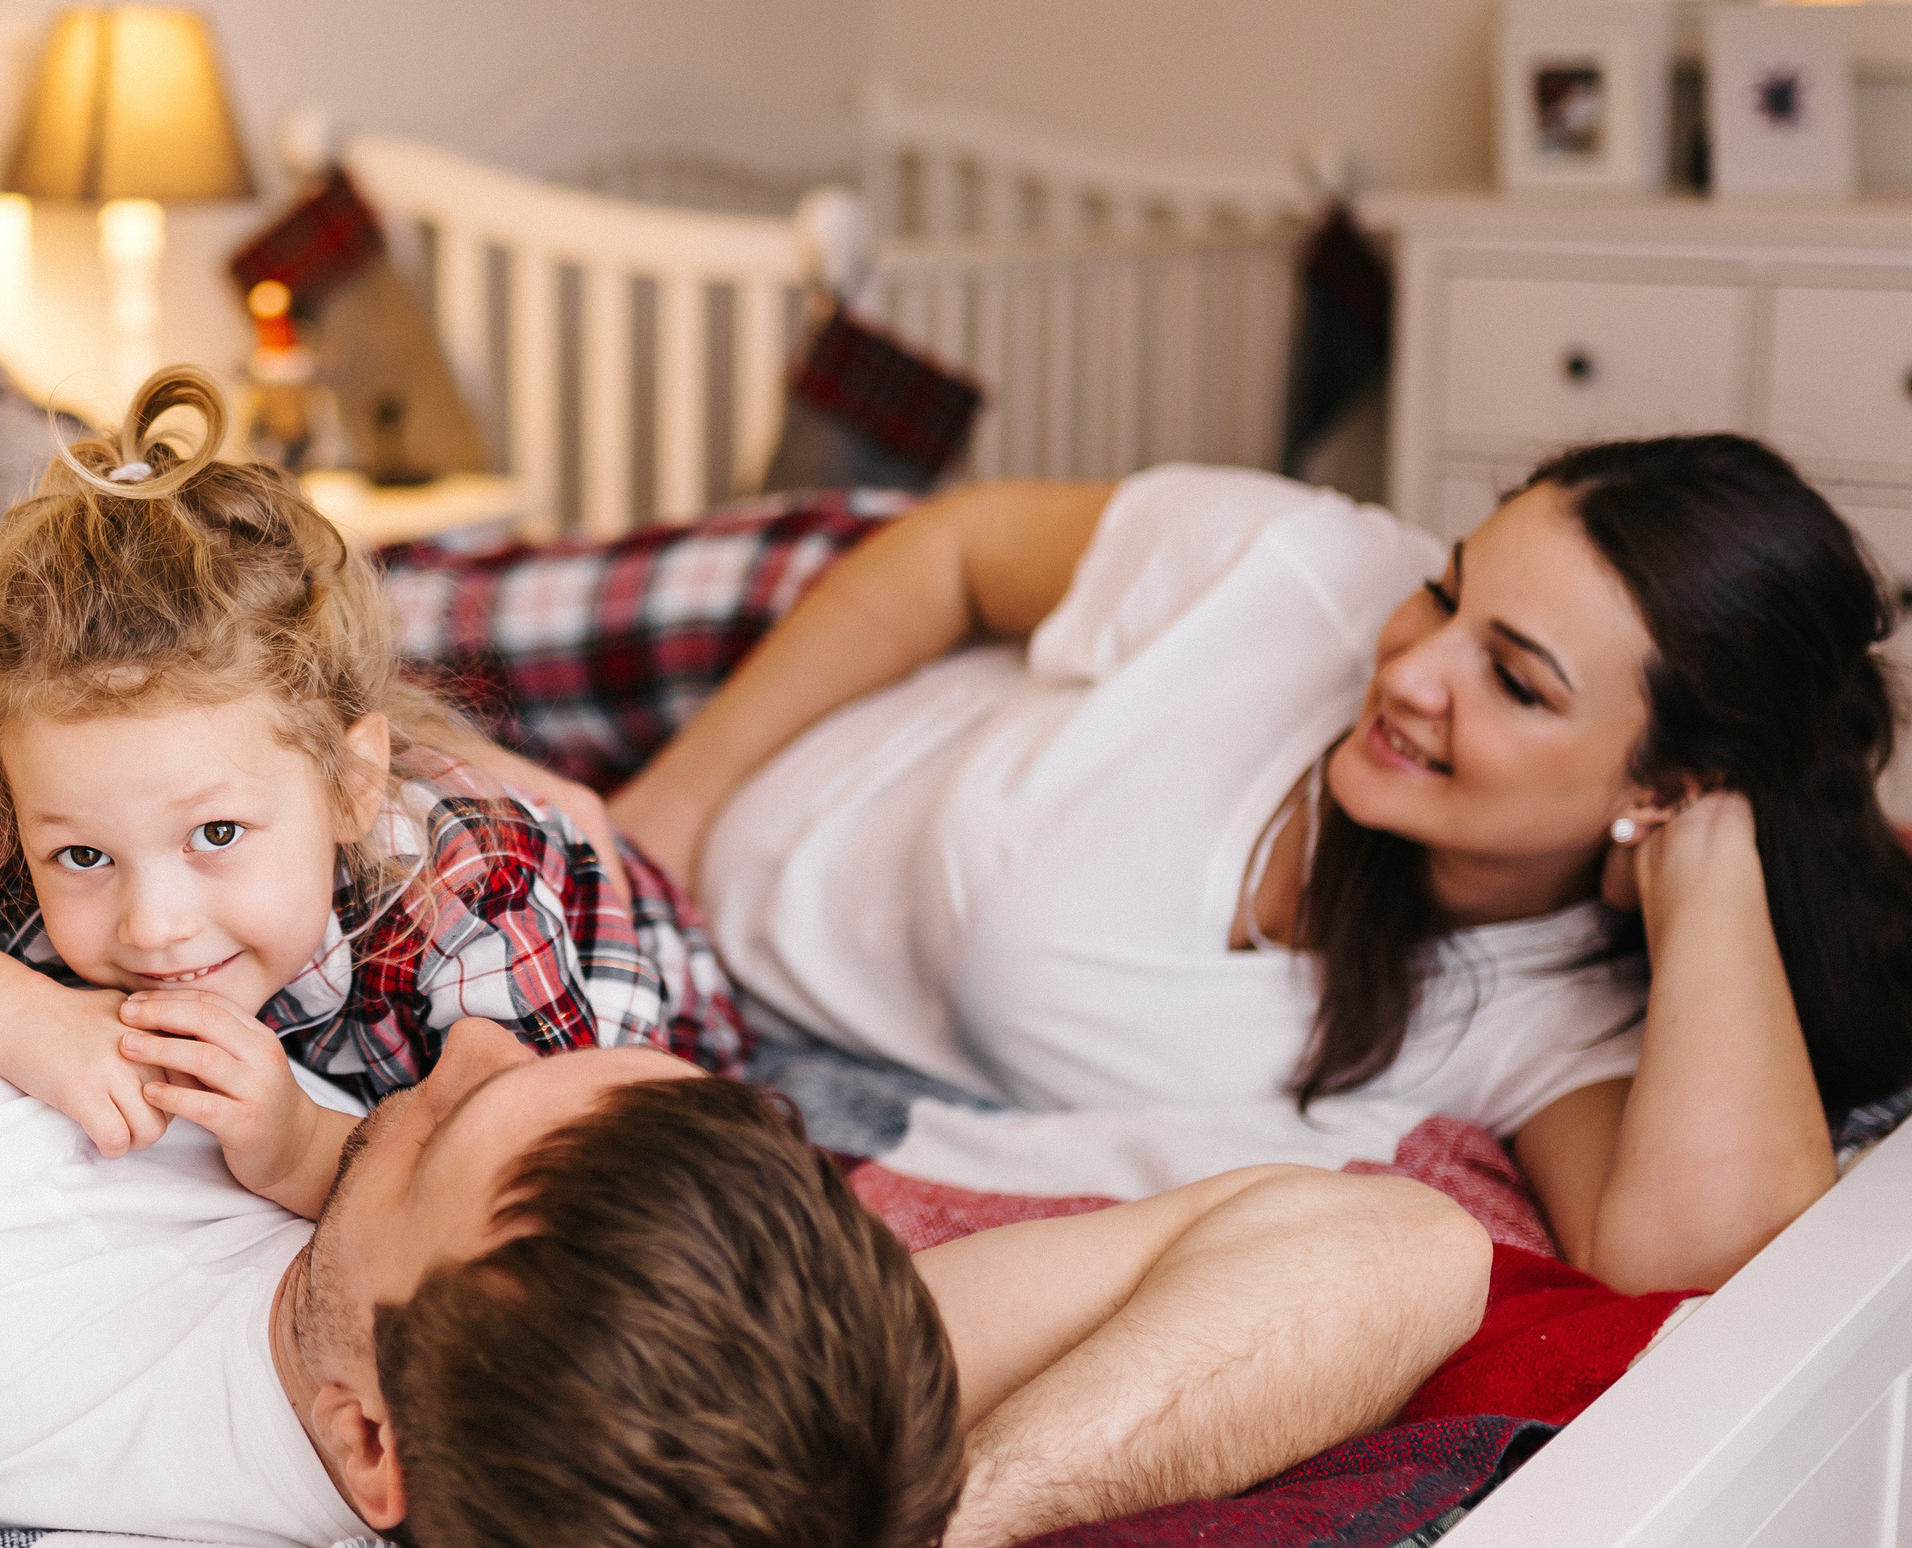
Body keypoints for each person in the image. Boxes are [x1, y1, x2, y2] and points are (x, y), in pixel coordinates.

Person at [610, 436, 1912, 1295]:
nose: (1408, 673)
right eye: (1447, 592)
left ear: (1664, 787)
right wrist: (669, 805)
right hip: (741, 699)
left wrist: (1719, 858)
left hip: (704, 974)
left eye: (1511, 679)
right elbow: (951, 551)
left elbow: (1700, 1259)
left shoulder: (1548, 1016)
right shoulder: (1305, 571)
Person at [0, 988, 1488, 1548]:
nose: (452, 1034)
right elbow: (1407, 1244)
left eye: (438, 1128)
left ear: (370, 1444)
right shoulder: (650, 1421)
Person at [0, 364, 740, 1209]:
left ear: (349, 784)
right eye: (84, 857)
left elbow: (527, 1180)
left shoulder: (474, 896)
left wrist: (302, 1147)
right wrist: (16, 1017)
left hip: (620, 950)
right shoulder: (44, 816)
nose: (155, 925)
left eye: (217, 834)